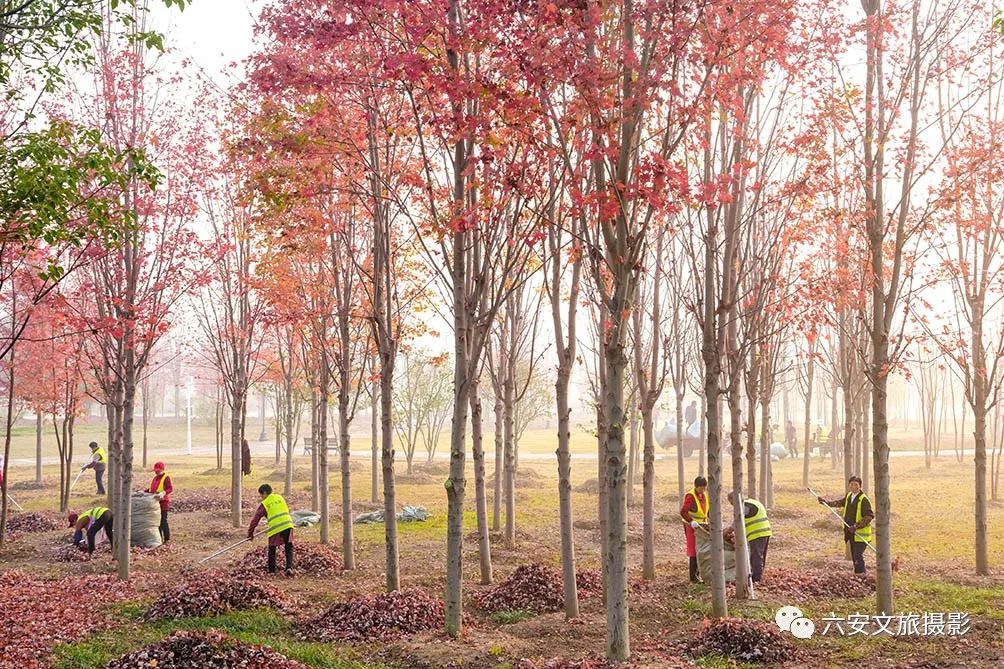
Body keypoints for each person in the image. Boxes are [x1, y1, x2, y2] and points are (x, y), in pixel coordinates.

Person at [818, 475, 873, 574]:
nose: (853, 486)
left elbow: (869, 516)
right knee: (854, 556)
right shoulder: (849, 496)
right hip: (850, 532)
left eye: (856, 484)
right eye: (851, 484)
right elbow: (839, 503)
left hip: (861, 534)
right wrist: (826, 503)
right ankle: (858, 574)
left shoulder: (864, 500)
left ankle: (862, 575)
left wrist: (856, 526)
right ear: (849, 485)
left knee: (857, 555)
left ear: (860, 486)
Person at [247, 483, 294, 576]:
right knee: (289, 546)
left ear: (264, 493)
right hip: (288, 524)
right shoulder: (280, 498)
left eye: (261, 495)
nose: (261, 498)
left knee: (272, 548)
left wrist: (250, 533)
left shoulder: (265, 503)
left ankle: (272, 570)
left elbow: (255, 520)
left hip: (275, 527)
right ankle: (289, 567)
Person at [727, 491, 772, 583]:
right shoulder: (752, 502)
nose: (732, 505)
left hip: (757, 534)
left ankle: (756, 579)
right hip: (765, 531)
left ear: (734, 499)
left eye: (731, 502)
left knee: (756, 557)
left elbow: (737, 522)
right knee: (760, 556)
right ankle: (758, 575)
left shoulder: (743, 506)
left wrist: (725, 533)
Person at [679, 475, 709, 583]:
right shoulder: (690, 496)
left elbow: (706, 510)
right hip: (691, 526)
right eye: (701, 487)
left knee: (701, 549)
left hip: (702, 526)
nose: (703, 490)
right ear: (696, 486)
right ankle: (693, 577)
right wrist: (691, 521)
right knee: (693, 551)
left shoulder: (704, 495)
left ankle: (699, 573)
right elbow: (683, 511)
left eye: (704, 487)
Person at [148, 462, 173, 543]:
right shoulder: (155, 478)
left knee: (163, 521)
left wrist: (163, 493)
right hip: (155, 503)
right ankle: (159, 539)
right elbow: (152, 489)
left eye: (157, 470)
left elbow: (170, 488)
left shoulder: (166, 478)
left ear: (162, 470)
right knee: (157, 522)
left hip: (163, 503)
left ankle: (167, 539)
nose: (156, 472)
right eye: (155, 470)